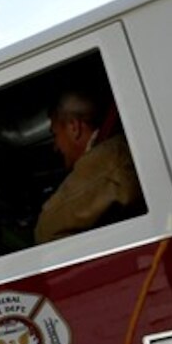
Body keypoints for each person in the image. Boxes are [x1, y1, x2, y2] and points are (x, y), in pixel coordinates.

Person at [34, 88, 144, 245]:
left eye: (55, 134)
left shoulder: (106, 159)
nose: (55, 147)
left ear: (74, 127)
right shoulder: (115, 149)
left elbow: (46, 229)